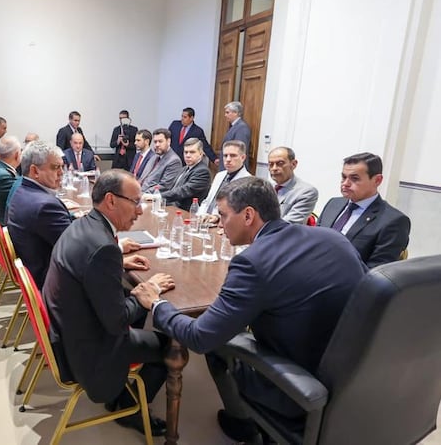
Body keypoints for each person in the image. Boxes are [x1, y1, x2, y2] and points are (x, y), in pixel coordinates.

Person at [132, 177, 368, 443]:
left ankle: (243, 423)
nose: (219, 223)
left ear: (248, 215)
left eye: (222, 215)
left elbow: (200, 337)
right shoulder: (334, 238)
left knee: (217, 344)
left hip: (298, 385)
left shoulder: (253, 262)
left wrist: (156, 304)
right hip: (358, 376)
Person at [43, 169, 175, 437]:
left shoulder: (84, 225)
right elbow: (116, 321)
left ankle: (123, 396)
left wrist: (120, 266)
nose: (139, 211)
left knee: (133, 302)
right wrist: (146, 291)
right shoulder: (103, 248)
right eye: (135, 202)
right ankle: (131, 409)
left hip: (67, 332)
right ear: (111, 200)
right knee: (171, 347)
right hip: (90, 350)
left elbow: (89, 270)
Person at [317, 152, 410, 268]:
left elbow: (376, 272)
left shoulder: (393, 221)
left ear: (377, 180)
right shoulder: (334, 204)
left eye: (354, 179)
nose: (345, 184)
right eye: (344, 177)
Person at [6, 141, 73, 288]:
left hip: (34, 272)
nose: (62, 173)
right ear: (35, 171)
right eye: (56, 167)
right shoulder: (45, 206)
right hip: (53, 282)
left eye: (62, 167)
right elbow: (75, 250)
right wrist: (117, 248)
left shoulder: (22, 191)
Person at [199, 140, 252, 221]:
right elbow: (207, 201)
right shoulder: (219, 175)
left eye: (233, 155)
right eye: (225, 155)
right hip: (204, 221)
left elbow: (239, 211)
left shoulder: (248, 181)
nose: (228, 159)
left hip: (225, 225)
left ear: (243, 157)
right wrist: (200, 215)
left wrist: (217, 217)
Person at [267, 146, 318, 224]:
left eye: (280, 163)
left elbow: (289, 224)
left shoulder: (307, 191)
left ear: (293, 164)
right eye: (271, 164)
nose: (274, 168)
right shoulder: (266, 188)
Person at [161, 137, 212, 210]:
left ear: (201, 154)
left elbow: (183, 191)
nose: (188, 155)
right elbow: (173, 189)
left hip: (187, 213)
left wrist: (159, 197)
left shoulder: (202, 171)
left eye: (192, 152)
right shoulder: (184, 169)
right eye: (186, 152)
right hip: (172, 208)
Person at [220, 101, 251, 171]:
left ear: (236, 113)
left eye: (227, 112)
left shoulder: (242, 128)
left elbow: (239, 150)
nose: (225, 115)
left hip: (234, 169)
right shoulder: (234, 126)